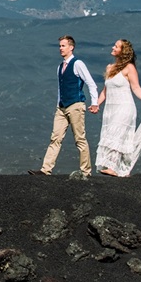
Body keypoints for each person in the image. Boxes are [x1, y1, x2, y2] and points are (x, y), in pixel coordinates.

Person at [29, 35, 100, 177]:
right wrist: (58, 105)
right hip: (61, 107)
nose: (60, 48)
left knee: (79, 138)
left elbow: (91, 83)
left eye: (63, 46)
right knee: (55, 137)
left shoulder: (77, 63)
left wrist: (94, 102)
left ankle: (86, 171)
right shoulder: (60, 67)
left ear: (71, 47)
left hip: (75, 104)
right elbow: (60, 88)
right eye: (60, 46)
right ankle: (45, 169)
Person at [95, 39, 141, 177]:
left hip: (124, 107)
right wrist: (97, 104)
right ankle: (123, 170)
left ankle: (113, 168)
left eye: (116, 46)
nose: (113, 47)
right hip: (111, 110)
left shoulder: (129, 68)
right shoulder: (109, 68)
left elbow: (135, 87)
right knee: (112, 135)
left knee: (117, 134)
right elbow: (105, 91)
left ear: (123, 51)